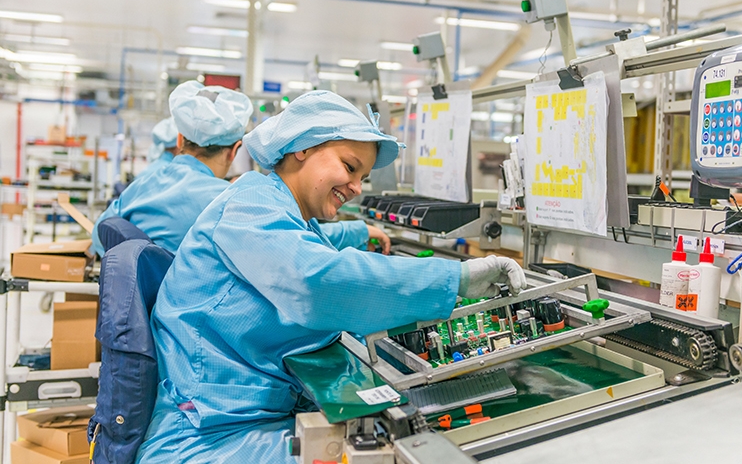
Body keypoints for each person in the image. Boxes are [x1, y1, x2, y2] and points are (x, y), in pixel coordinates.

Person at [135, 90, 526, 463]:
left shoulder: (281, 208)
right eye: (350, 167)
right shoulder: (249, 206)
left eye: (362, 177)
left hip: (237, 414)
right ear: (302, 147)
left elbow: (318, 255)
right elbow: (317, 281)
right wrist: (454, 279)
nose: (356, 187)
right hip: (207, 437)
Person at [90, 80, 252, 256]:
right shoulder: (231, 202)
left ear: (180, 139)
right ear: (234, 150)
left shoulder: (142, 186)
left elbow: (100, 235)